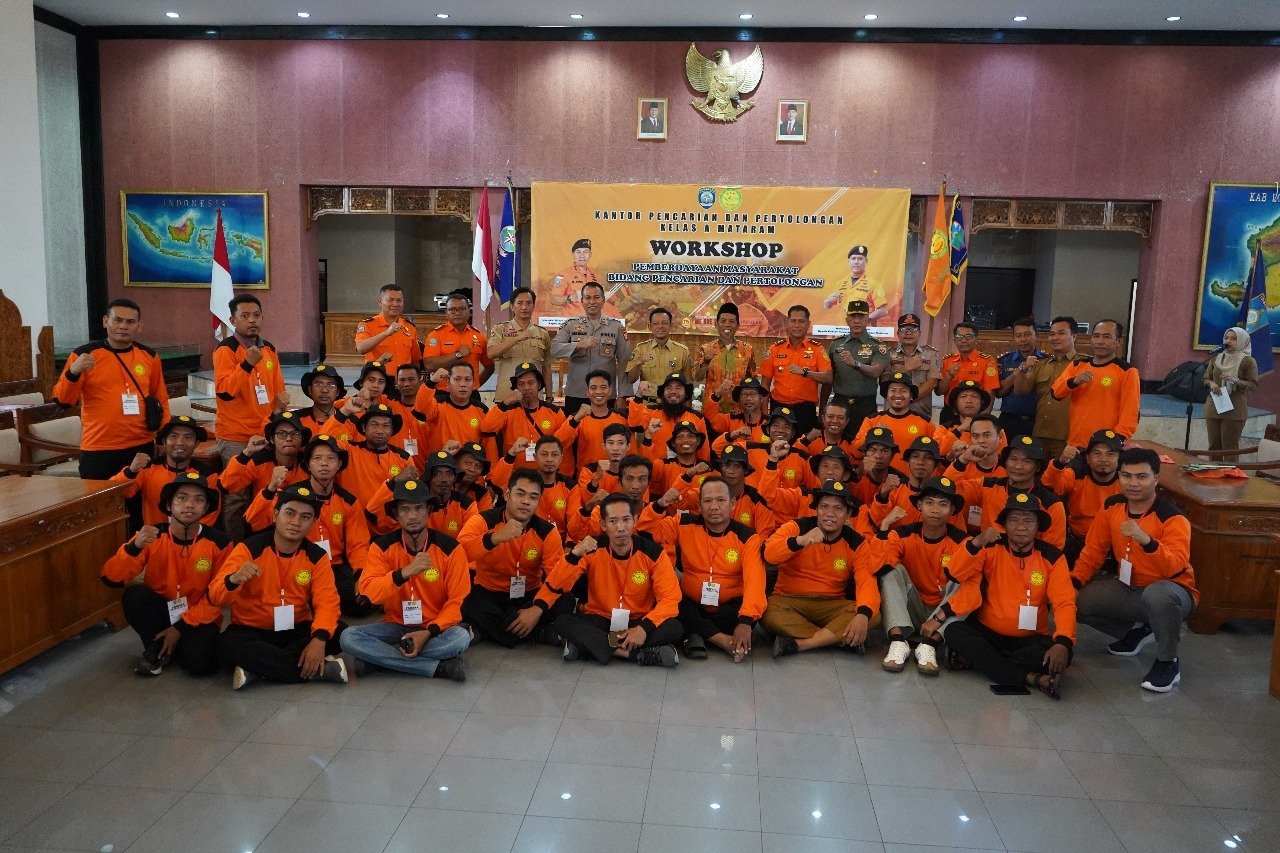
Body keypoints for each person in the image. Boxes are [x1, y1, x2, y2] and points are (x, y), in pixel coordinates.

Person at [1071, 448, 1197, 693]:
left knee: (1158, 596)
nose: (1133, 483)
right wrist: (1074, 582)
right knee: (1075, 600)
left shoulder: (1173, 518)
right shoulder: (1112, 506)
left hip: (1173, 590)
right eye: (1126, 476)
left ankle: (1168, 661)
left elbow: (1175, 566)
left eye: (1142, 476)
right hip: (1129, 587)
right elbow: (1093, 551)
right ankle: (1138, 631)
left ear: (1156, 479)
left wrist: (1148, 542)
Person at [209, 483, 348, 689]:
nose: (296, 522)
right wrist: (234, 579)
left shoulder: (317, 557)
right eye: (289, 513)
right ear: (275, 515)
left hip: (295, 628)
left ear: (313, 523)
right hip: (252, 629)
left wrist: (319, 640)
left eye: (305, 517)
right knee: (227, 645)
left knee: (339, 633)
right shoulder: (248, 549)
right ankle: (320, 670)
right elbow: (215, 597)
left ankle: (257, 671)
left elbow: (327, 601)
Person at [943, 493, 1076, 698]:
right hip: (988, 633)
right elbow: (954, 573)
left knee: (1064, 652)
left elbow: (1064, 602)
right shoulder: (990, 547)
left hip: (1030, 640)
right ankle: (1032, 678)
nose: (1021, 527)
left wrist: (1063, 641)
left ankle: (983, 662)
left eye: (1028, 521)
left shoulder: (1052, 557)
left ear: (1038, 526)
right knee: (954, 631)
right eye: (1014, 520)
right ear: (1004, 524)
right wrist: (976, 542)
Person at [341, 477, 471, 681]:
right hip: (396, 625)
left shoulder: (451, 549)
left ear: (429, 511)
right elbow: (368, 591)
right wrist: (403, 573)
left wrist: (428, 632)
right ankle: (436, 668)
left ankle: (381, 659)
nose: (412, 516)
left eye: (419, 508)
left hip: (435, 628)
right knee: (348, 637)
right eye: (405, 509)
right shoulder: (381, 547)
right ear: (396, 514)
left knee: (460, 638)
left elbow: (457, 602)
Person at [101, 472, 230, 677]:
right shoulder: (152, 535)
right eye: (182, 498)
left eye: (198, 500)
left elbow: (217, 597)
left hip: (199, 615)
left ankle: (160, 649)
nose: (189, 505)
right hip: (160, 610)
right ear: (169, 505)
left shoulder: (221, 543)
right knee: (135, 596)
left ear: (206, 508)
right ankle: (161, 647)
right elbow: (111, 578)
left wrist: (179, 628)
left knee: (200, 666)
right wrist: (134, 548)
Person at [545, 493, 684, 666]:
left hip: (638, 620)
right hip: (600, 618)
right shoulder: (592, 548)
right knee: (563, 621)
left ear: (635, 521)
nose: (620, 527)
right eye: (613, 521)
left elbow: (670, 598)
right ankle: (631, 654)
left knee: (674, 628)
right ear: (603, 525)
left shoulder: (653, 552)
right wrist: (574, 555)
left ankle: (588, 646)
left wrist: (643, 628)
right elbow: (557, 584)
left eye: (626, 520)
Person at [244, 434, 373, 617]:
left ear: (339, 464)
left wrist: (361, 575)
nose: (324, 463)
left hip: (333, 566)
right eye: (317, 458)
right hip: (295, 563)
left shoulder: (349, 501)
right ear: (308, 464)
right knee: (293, 606)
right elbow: (252, 521)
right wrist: (271, 488)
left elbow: (358, 544)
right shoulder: (290, 495)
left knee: (362, 604)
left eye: (331, 458)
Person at [650, 477, 766, 661]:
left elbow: (755, 582)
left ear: (732, 504)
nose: (714, 507)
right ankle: (723, 641)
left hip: (729, 609)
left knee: (746, 613)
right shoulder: (683, 523)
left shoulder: (748, 537)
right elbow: (648, 530)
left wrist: (745, 622)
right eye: (707, 501)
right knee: (675, 605)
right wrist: (660, 505)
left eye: (721, 500)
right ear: (699, 505)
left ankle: (697, 634)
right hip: (692, 604)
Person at [53, 298, 170, 481]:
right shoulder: (84, 355)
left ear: (139, 326)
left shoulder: (149, 356)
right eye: (118, 320)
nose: (123, 326)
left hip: (141, 444)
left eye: (130, 322)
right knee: (100, 498)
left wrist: (164, 437)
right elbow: (63, 401)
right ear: (105, 321)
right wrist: (73, 372)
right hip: (99, 447)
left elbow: (160, 398)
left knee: (139, 498)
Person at [763, 480, 881, 658]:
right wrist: (800, 541)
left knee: (872, 614)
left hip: (831, 604)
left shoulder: (857, 543)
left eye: (838, 508)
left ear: (848, 514)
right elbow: (768, 554)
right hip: (789, 600)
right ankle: (839, 638)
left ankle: (801, 644)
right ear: (816, 509)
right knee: (767, 610)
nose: (830, 514)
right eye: (824, 507)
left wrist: (863, 615)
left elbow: (866, 582)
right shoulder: (797, 527)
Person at [458, 467, 571, 647]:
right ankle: (537, 634)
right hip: (489, 594)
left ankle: (488, 631)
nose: (526, 501)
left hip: (528, 595)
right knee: (464, 598)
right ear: (507, 494)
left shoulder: (548, 532)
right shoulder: (483, 520)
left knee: (566, 600)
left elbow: (556, 577)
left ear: (538, 501)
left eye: (533, 497)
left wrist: (537, 609)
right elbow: (459, 554)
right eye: (520, 494)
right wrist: (495, 538)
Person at [876, 476, 968, 675]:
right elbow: (879, 565)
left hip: (943, 611)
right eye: (929, 502)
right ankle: (897, 641)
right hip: (913, 607)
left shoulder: (962, 542)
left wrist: (940, 617)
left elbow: (970, 592)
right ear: (919, 505)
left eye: (943, 504)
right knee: (891, 570)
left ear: (952, 510)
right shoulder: (902, 534)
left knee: (966, 582)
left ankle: (929, 645)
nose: (935, 509)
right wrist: (884, 527)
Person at [212, 294, 288, 465]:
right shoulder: (226, 349)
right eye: (245, 316)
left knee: (267, 480)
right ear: (233, 320)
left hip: (266, 432)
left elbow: (279, 391)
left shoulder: (269, 349)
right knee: (238, 482)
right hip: (236, 437)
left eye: (256, 315)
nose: (252, 320)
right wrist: (247, 364)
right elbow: (225, 393)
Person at [110, 415, 219, 527]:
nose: (180, 442)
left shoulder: (208, 475)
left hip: (193, 536)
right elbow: (114, 494)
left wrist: (183, 534)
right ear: (164, 441)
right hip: (153, 535)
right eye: (173, 436)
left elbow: (210, 515)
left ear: (196, 443)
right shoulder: (147, 468)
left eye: (188, 437)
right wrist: (131, 471)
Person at [1051, 319, 1141, 448]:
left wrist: (1116, 441)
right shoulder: (1078, 365)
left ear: (1118, 341)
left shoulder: (1127, 371)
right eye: (1096, 336)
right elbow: (1055, 393)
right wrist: (1073, 382)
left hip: (1105, 446)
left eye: (1106, 337)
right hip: (1075, 443)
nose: (1100, 341)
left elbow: (1130, 413)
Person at [1041, 428, 1123, 562]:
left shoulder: (1127, 480)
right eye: (1097, 453)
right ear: (1087, 458)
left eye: (1111, 454)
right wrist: (1060, 462)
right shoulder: (1076, 474)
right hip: (1078, 542)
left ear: (1119, 458)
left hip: (1115, 545)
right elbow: (1049, 485)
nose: (1104, 459)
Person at [551, 282, 630, 412]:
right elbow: (554, 349)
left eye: (596, 297)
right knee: (575, 425)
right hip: (576, 393)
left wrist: (623, 395)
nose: (592, 302)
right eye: (588, 298)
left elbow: (625, 362)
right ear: (582, 301)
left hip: (606, 395)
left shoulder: (616, 327)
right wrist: (579, 345)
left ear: (603, 300)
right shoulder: (570, 325)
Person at [1011, 315, 1078, 459]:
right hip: (1041, 433)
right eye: (1052, 334)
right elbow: (1020, 391)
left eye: (1061, 333)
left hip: (1069, 436)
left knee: (1064, 472)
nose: (1055, 338)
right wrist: (1023, 370)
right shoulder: (1041, 364)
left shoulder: (1084, 364)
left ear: (1074, 336)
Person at [759, 304, 833, 434]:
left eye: (801, 321)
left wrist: (805, 373)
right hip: (779, 408)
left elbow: (829, 378)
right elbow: (765, 384)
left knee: (805, 445)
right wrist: (765, 414)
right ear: (787, 323)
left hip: (805, 410)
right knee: (779, 444)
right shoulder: (775, 349)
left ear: (808, 324)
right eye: (793, 321)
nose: (797, 325)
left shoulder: (817, 349)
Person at [828, 300, 892, 433]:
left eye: (861, 317)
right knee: (837, 441)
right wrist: (823, 404)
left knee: (863, 440)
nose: (856, 321)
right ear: (847, 320)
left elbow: (876, 371)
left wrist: (855, 363)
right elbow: (829, 377)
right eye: (853, 316)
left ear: (868, 320)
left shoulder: (877, 345)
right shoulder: (836, 344)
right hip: (839, 401)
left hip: (865, 404)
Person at [482, 362, 566, 462]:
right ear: (516, 387)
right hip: (514, 470)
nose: (526, 388)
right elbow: (486, 428)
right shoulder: (507, 410)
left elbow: (564, 445)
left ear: (539, 385)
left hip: (545, 469)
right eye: (521, 384)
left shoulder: (554, 412)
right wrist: (504, 403)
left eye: (531, 383)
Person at [556, 369, 632, 473]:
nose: (598, 391)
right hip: (586, 477)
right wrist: (575, 420)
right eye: (593, 388)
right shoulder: (577, 418)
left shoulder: (622, 418)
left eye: (603, 387)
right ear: (587, 392)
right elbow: (558, 443)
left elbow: (631, 451)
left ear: (610, 391)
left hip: (617, 477)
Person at [421, 292, 493, 395]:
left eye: (462, 309)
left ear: (469, 311)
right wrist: (457, 355)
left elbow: (490, 366)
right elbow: (429, 365)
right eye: (452, 310)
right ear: (446, 312)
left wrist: (476, 385)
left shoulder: (479, 336)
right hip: (444, 393)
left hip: (471, 394)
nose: (457, 313)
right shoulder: (436, 335)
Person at [692, 303, 757, 416]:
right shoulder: (706, 349)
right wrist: (706, 362)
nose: (727, 325)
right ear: (716, 324)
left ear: (738, 326)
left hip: (739, 412)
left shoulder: (748, 350)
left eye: (731, 321)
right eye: (723, 321)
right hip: (712, 411)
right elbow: (696, 377)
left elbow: (753, 381)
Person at [412, 362, 490, 455]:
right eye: (457, 379)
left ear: (473, 384)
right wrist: (431, 382)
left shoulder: (482, 410)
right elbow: (420, 409)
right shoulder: (437, 405)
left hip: (470, 463)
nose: (462, 384)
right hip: (441, 462)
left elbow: (489, 446)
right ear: (448, 383)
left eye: (467, 379)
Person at [487, 287, 552, 396]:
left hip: (534, 397)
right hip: (507, 395)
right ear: (512, 307)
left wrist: (549, 396)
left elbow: (546, 368)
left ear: (533, 306)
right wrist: (517, 338)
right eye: (520, 303)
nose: (524, 307)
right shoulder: (500, 329)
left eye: (528, 303)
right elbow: (491, 353)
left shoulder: (542, 333)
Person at [1203, 325, 1259, 452]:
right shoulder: (1216, 358)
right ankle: (1213, 466)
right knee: (1213, 447)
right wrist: (1212, 384)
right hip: (1214, 407)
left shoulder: (1248, 361)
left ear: (1242, 341)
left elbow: (1253, 384)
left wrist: (1236, 381)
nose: (1228, 341)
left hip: (1234, 410)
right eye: (1226, 338)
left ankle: (1229, 467)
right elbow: (1206, 378)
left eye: (1233, 339)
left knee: (1230, 449)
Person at [938, 322, 999, 427]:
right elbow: (939, 391)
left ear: (976, 340)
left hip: (976, 414)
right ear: (954, 341)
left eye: (968, 337)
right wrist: (949, 376)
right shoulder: (947, 361)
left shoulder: (987, 361)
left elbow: (990, 392)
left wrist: (983, 418)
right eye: (959, 337)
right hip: (950, 413)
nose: (964, 340)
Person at [994, 317, 1047, 440]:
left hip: (1038, 421)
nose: (1023, 339)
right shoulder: (1005, 360)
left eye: (1027, 335)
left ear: (1036, 336)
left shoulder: (1047, 361)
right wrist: (1019, 370)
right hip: (1010, 420)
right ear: (1013, 338)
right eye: (1018, 335)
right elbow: (999, 392)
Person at [627, 307, 692, 399]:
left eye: (664, 323)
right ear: (650, 327)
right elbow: (630, 379)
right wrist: (638, 363)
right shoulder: (640, 349)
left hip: (673, 403)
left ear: (671, 326)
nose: (660, 326)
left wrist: (687, 407)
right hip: (648, 404)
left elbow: (688, 383)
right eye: (655, 323)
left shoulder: (682, 351)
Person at [355, 283, 422, 367]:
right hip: (379, 374)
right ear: (380, 302)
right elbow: (361, 349)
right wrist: (386, 333)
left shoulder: (409, 327)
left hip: (402, 375)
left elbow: (415, 360)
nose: (395, 304)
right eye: (390, 300)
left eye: (399, 300)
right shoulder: (368, 325)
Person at [889, 313, 941, 421]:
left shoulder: (930, 354)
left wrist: (907, 398)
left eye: (913, 329)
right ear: (898, 333)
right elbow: (885, 381)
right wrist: (907, 368)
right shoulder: (888, 354)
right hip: (893, 413)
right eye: (904, 329)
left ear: (920, 333)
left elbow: (932, 383)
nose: (909, 333)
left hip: (921, 413)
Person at [823, 246, 890, 322]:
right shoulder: (840, 283)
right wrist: (828, 301)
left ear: (866, 261)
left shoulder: (873, 284)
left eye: (860, 259)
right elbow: (827, 306)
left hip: (862, 328)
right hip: (841, 327)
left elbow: (883, 311)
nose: (856, 262)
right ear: (848, 261)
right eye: (853, 258)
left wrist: (864, 320)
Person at [292, 363, 344, 437]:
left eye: (331, 385)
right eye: (319, 384)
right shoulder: (295, 419)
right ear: (310, 390)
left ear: (337, 392)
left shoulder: (349, 420)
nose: (324, 390)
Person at [550, 238, 600, 312]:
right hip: (573, 317)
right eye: (578, 252)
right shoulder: (563, 274)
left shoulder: (595, 274)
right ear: (573, 254)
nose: (582, 255)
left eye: (585, 252)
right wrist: (569, 298)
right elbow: (553, 299)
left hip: (593, 316)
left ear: (590, 255)